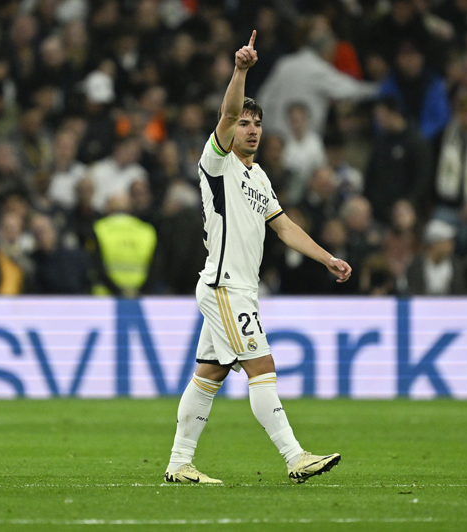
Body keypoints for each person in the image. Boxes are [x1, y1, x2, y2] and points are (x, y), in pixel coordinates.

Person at [164, 31, 351, 485]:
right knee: (261, 367)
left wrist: (327, 257)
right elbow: (227, 112)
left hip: (240, 287)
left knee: (209, 376)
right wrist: (241, 70)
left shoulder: (259, 177)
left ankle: (179, 463)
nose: (250, 129)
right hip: (225, 285)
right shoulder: (217, 163)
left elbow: (283, 227)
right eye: (244, 123)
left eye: (257, 124)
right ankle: (295, 456)